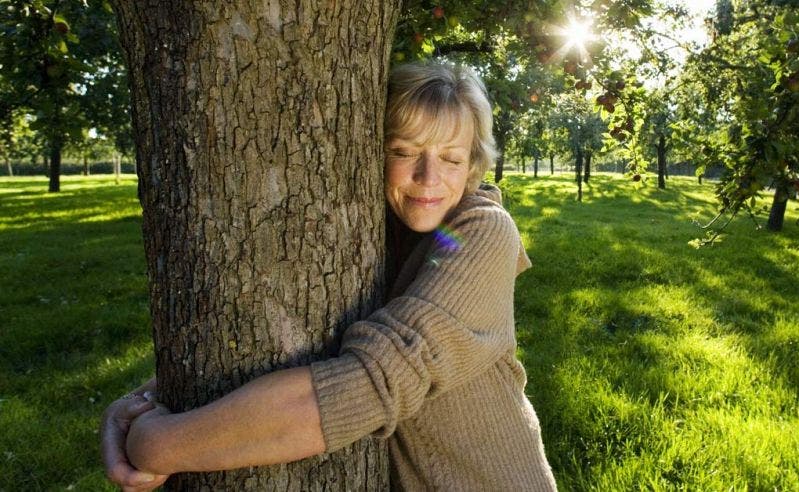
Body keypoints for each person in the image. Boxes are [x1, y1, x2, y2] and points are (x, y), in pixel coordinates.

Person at [101, 62, 557, 491]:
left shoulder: (484, 232)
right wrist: (145, 400)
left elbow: (371, 383)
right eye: (404, 151)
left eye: (451, 159)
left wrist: (159, 444)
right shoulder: (369, 228)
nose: (428, 177)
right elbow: (306, 347)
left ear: (474, 165)